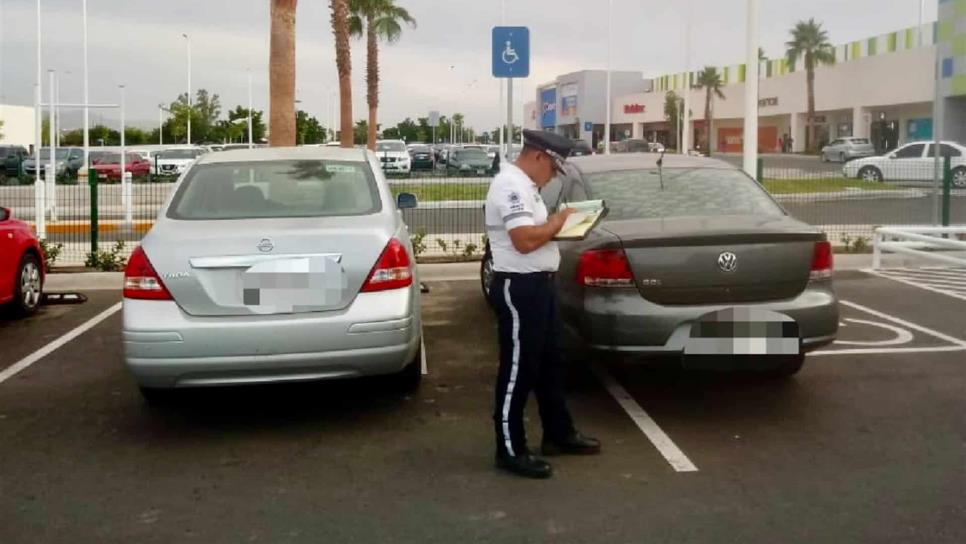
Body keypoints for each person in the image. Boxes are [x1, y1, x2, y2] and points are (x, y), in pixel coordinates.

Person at [484, 129, 601, 480]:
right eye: (553, 167)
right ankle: (510, 449)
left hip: (540, 285)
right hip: (520, 288)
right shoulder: (510, 186)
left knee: (551, 362)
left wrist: (560, 226)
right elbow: (523, 240)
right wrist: (557, 223)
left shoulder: (527, 186)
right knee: (519, 370)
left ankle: (558, 433)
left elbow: (535, 234)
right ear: (538, 156)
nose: (553, 176)